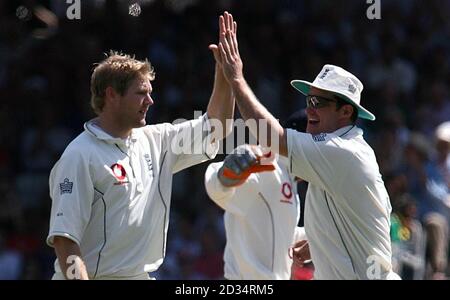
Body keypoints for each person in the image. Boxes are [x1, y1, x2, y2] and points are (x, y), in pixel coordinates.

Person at [46, 15, 236, 280]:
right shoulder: (79, 156)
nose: (150, 100)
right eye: (141, 93)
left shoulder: (156, 139)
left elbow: (216, 128)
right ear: (111, 95)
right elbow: (65, 243)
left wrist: (226, 75)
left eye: (150, 92)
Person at [216, 11, 399, 279]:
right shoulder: (340, 156)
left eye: (319, 103)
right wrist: (319, 242)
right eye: (308, 101)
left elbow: (272, 137)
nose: (310, 110)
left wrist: (235, 79)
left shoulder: (342, 153)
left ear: (346, 112)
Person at [203, 113, 308, 280]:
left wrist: (315, 237)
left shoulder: (290, 177)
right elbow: (219, 189)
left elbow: (279, 232)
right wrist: (224, 175)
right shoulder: (269, 161)